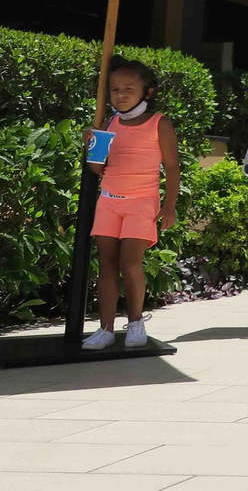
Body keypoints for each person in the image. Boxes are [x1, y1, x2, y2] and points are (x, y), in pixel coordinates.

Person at [81, 58, 180, 351]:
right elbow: (97, 168)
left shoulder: (159, 123)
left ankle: (136, 322)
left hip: (141, 203)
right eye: (114, 89)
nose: (121, 95)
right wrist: (91, 145)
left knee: (130, 263)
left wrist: (169, 205)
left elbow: (172, 167)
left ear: (147, 92)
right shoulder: (108, 123)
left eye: (128, 89)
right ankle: (105, 329)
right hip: (109, 202)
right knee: (107, 264)